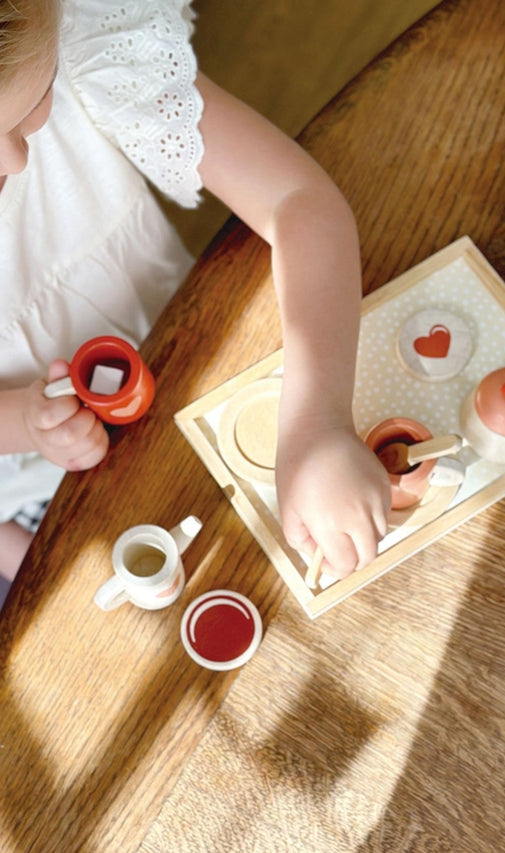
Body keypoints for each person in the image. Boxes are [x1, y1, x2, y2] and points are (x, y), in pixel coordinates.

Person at [0, 0, 391, 608]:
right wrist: (22, 422)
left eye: (30, 108)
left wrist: (318, 424)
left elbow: (296, 201)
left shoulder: (78, 42)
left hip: (179, 345)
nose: (15, 160)